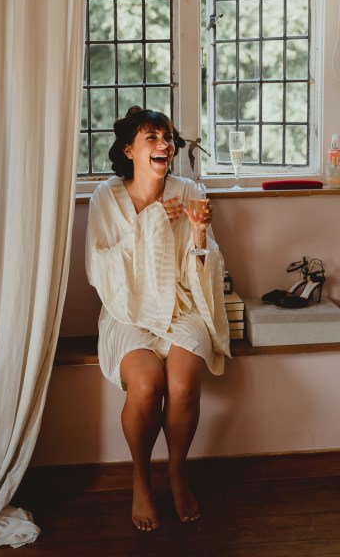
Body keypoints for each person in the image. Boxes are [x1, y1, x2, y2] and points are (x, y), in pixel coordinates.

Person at [85, 106, 230, 532]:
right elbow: (100, 268)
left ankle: (177, 472)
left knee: (183, 384)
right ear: (130, 150)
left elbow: (200, 269)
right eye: (152, 137)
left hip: (179, 305)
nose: (164, 144)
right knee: (147, 385)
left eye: (167, 137)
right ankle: (140, 476)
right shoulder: (106, 198)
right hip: (127, 308)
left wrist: (200, 235)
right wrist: (148, 222)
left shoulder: (187, 191)